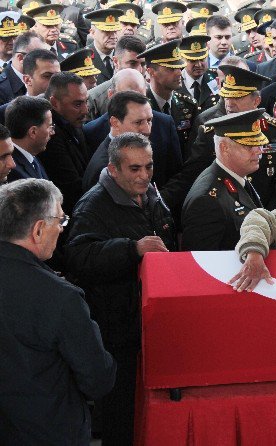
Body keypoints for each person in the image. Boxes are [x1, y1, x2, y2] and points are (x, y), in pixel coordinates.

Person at [65, 132, 176, 446]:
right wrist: (131, 249)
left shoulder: (149, 192)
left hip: (148, 322)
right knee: (120, 414)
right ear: (113, 169)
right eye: (135, 169)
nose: (144, 175)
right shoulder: (92, 206)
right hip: (117, 328)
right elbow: (79, 257)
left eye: (149, 167)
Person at [0, 178, 116, 445]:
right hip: (48, 430)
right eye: (60, 221)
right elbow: (98, 379)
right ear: (38, 230)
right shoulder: (60, 298)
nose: (63, 229)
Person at [188, 65, 276, 210]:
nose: (229, 103)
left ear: (256, 101)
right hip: (225, 215)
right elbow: (193, 176)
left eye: (237, 97)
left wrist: (267, 218)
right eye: (227, 96)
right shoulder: (211, 132)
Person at [181, 109, 267, 251]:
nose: (259, 151)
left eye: (259, 144)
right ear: (224, 148)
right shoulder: (206, 201)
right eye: (249, 145)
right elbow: (202, 263)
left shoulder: (236, 175)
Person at [83, 90, 183, 196]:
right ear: (115, 123)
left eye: (149, 120)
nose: (147, 130)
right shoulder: (103, 170)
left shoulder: (127, 149)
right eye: (138, 122)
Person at [37, 72, 90, 215]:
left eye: (86, 101)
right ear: (54, 103)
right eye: (78, 104)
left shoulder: (73, 122)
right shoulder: (50, 137)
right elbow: (71, 188)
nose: (85, 110)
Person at [139, 39, 199, 160]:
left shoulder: (189, 105)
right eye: (171, 69)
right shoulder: (139, 106)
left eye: (179, 68)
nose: (179, 73)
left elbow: (193, 151)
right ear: (151, 72)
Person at [86, 35, 147, 121]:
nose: (139, 70)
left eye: (143, 64)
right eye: (132, 63)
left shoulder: (152, 92)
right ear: (116, 62)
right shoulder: (95, 98)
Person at [0, 48, 59, 125]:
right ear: (27, 80)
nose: (55, 81)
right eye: (47, 76)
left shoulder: (66, 108)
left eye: (58, 76)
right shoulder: (6, 114)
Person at [5, 96, 53, 181]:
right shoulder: (13, 171)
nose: (52, 132)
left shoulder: (30, 154)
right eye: (49, 126)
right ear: (33, 132)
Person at [0, 31, 45, 106]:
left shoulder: (45, 80)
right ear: (21, 58)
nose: (45, 60)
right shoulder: (2, 89)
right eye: (38, 55)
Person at [178, 35, 220, 110]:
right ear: (182, 60)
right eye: (192, 61)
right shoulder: (174, 82)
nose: (198, 65)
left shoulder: (216, 78)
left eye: (202, 59)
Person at [85, 9, 123, 84]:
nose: (113, 36)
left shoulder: (124, 56)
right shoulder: (82, 58)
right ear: (92, 33)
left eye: (115, 31)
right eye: (107, 31)